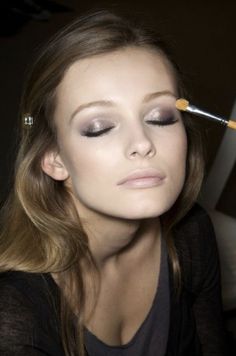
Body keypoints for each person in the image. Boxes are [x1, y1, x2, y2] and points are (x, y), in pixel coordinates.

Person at [0, 9, 227, 356]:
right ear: (53, 158)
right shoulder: (14, 313)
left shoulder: (191, 234)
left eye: (162, 116)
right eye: (99, 127)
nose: (142, 142)